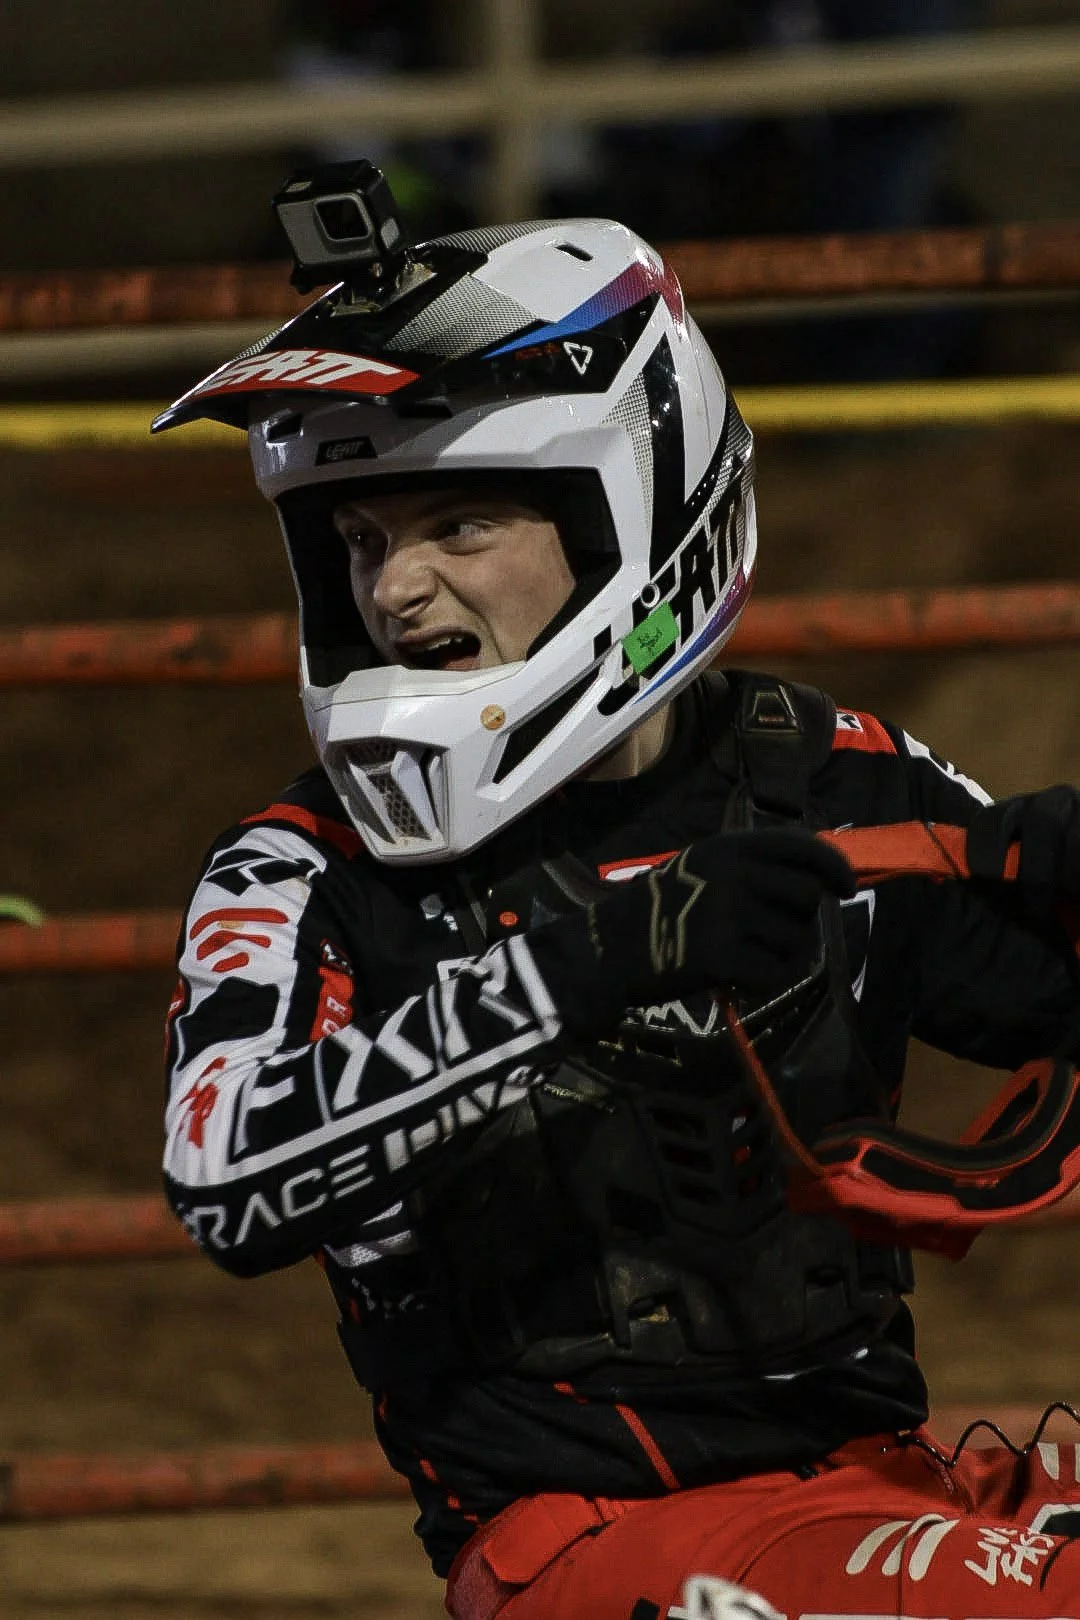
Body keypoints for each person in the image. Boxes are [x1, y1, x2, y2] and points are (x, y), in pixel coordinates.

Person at [155, 174, 1080, 1617]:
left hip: (879, 1496)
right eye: (360, 540)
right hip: (589, 1546)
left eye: (458, 525)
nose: (395, 590)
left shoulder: (820, 772)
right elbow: (221, 1177)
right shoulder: (302, 865)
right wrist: (581, 963)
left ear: (629, 517)